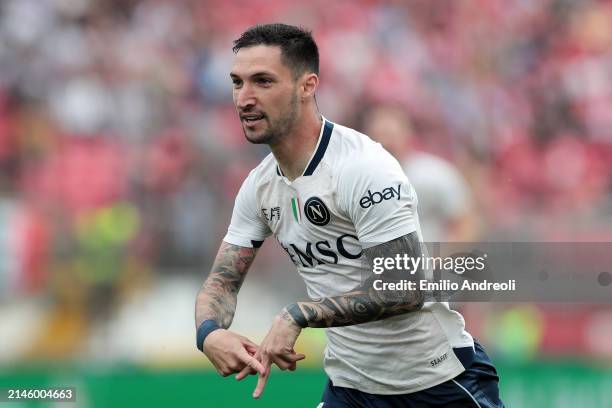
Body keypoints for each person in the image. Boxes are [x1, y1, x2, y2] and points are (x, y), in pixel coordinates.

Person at [194, 23, 504, 407]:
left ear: (307, 86)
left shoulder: (363, 167)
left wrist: (299, 314)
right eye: (238, 83)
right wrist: (209, 333)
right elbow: (223, 281)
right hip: (351, 389)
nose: (245, 98)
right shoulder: (258, 187)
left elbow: (404, 287)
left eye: (263, 81)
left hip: (436, 382)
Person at [364, 105, 479, 242]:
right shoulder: (358, 180)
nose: (385, 142)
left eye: (390, 135)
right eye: (378, 135)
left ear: (407, 135)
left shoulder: (434, 174)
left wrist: (445, 258)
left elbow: (465, 221)